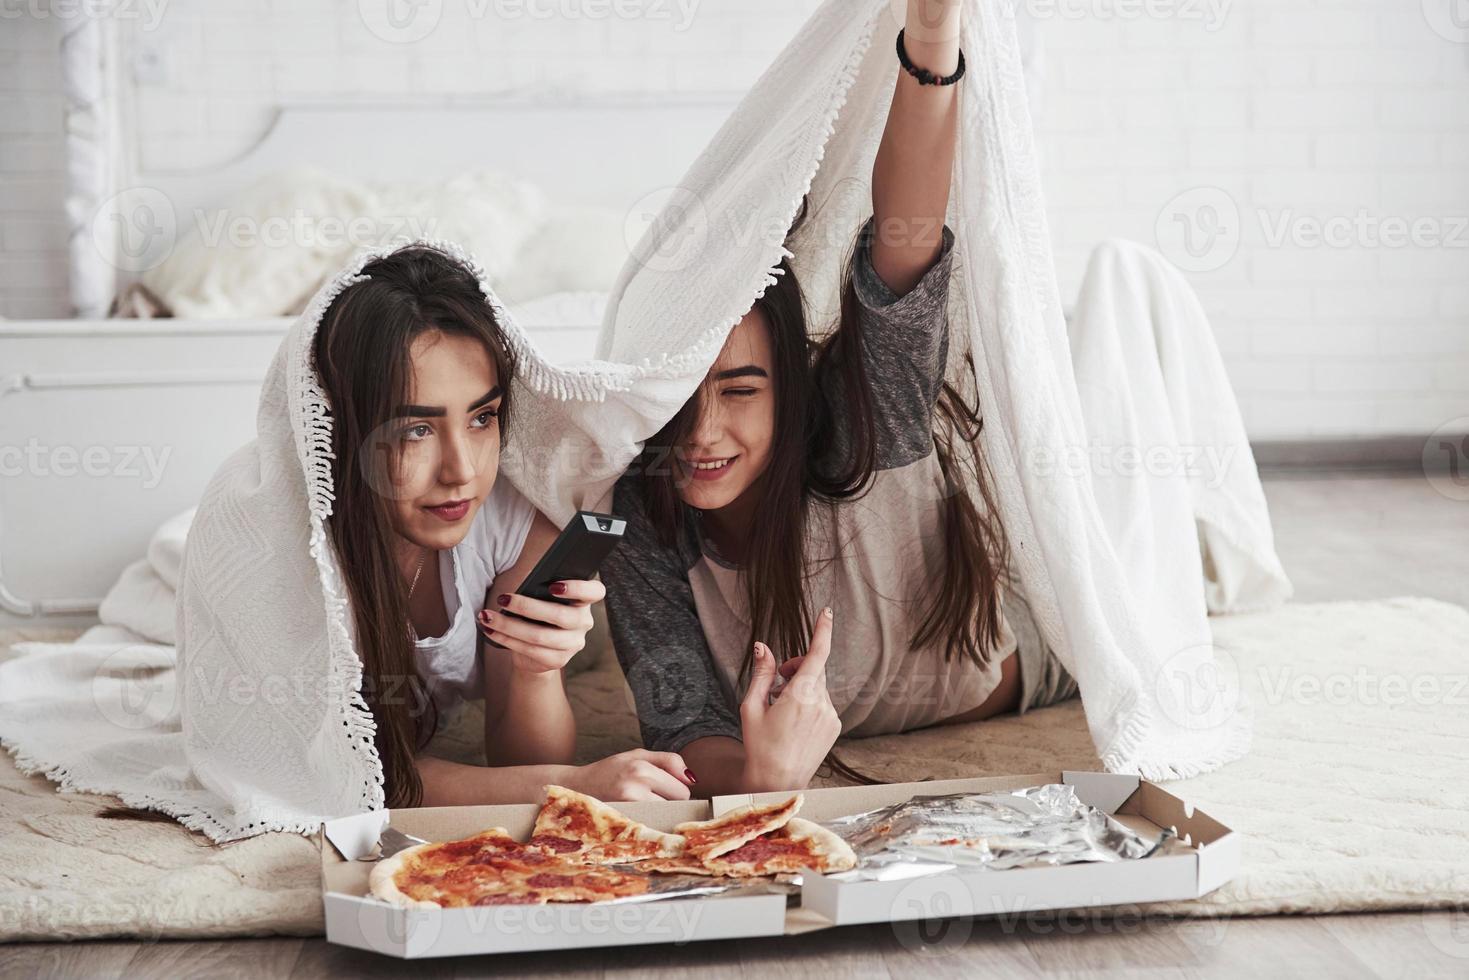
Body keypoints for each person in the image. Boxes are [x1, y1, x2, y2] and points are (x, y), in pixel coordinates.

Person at [600, 0, 1080, 797]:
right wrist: (764, 773)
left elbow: (905, 238)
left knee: (1166, 565)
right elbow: (688, 742)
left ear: (789, 389)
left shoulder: (859, 424)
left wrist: (929, 44)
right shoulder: (641, 517)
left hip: (1025, 656)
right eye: (679, 395)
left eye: (740, 389)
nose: (701, 432)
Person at [310, 243, 695, 807]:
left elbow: (520, 761)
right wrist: (576, 787)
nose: (463, 473)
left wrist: (536, 670)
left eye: (482, 417)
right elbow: (333, 769)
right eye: (416, 429)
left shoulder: (512, 514)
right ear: (345, 425)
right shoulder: (297, 556)